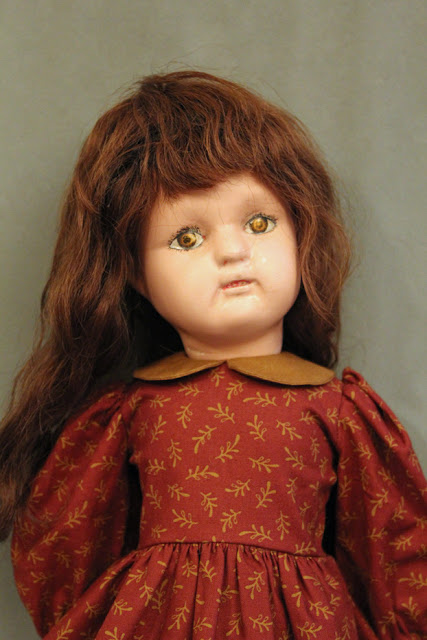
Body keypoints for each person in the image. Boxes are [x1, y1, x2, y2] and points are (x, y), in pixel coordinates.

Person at [0, 70, 425, 639]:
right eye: (187, 238)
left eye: (260, 223)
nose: (232, 251)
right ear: (136, 275)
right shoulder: (129, 411)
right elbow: (68, 544)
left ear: (302, 235)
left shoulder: (338, 408)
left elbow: (395, 556)